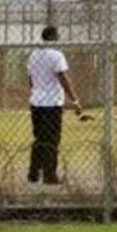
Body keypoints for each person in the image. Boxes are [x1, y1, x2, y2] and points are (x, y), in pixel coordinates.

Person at [26, 27, 81, 185]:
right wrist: (75, 101)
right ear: (53, 37)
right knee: (52, 139)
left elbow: (31, 80)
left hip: (37, 102)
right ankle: (50, 175)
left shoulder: (34, 55)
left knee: (39, 138)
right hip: (52, 103)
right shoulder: (56, 55)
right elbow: (63, 78)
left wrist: (38, 91)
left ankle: (34, 172)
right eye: (57, 35)